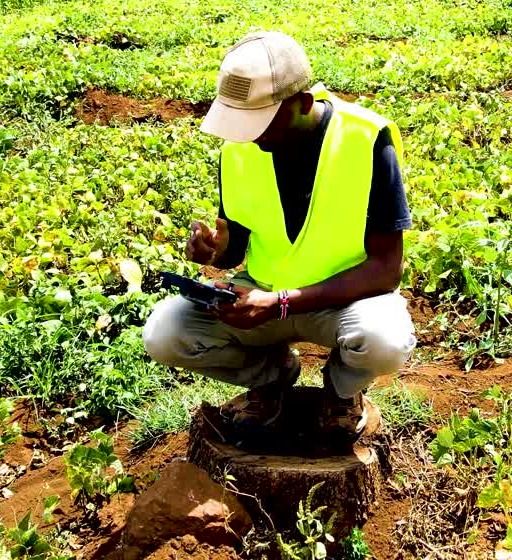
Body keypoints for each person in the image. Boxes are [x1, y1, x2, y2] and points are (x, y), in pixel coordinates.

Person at [142, 30, 416, 444]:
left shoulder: (365, 140)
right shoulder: (241, 148)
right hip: (261, 296)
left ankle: (342, 392)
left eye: (263, 122)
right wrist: (215, 250)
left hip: (344, 302)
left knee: (385, 341)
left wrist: (282, 303)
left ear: (303, 103)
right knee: (165, 333)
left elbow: (385, 269)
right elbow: (235, 244)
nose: (253, 136)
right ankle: (272, 379)